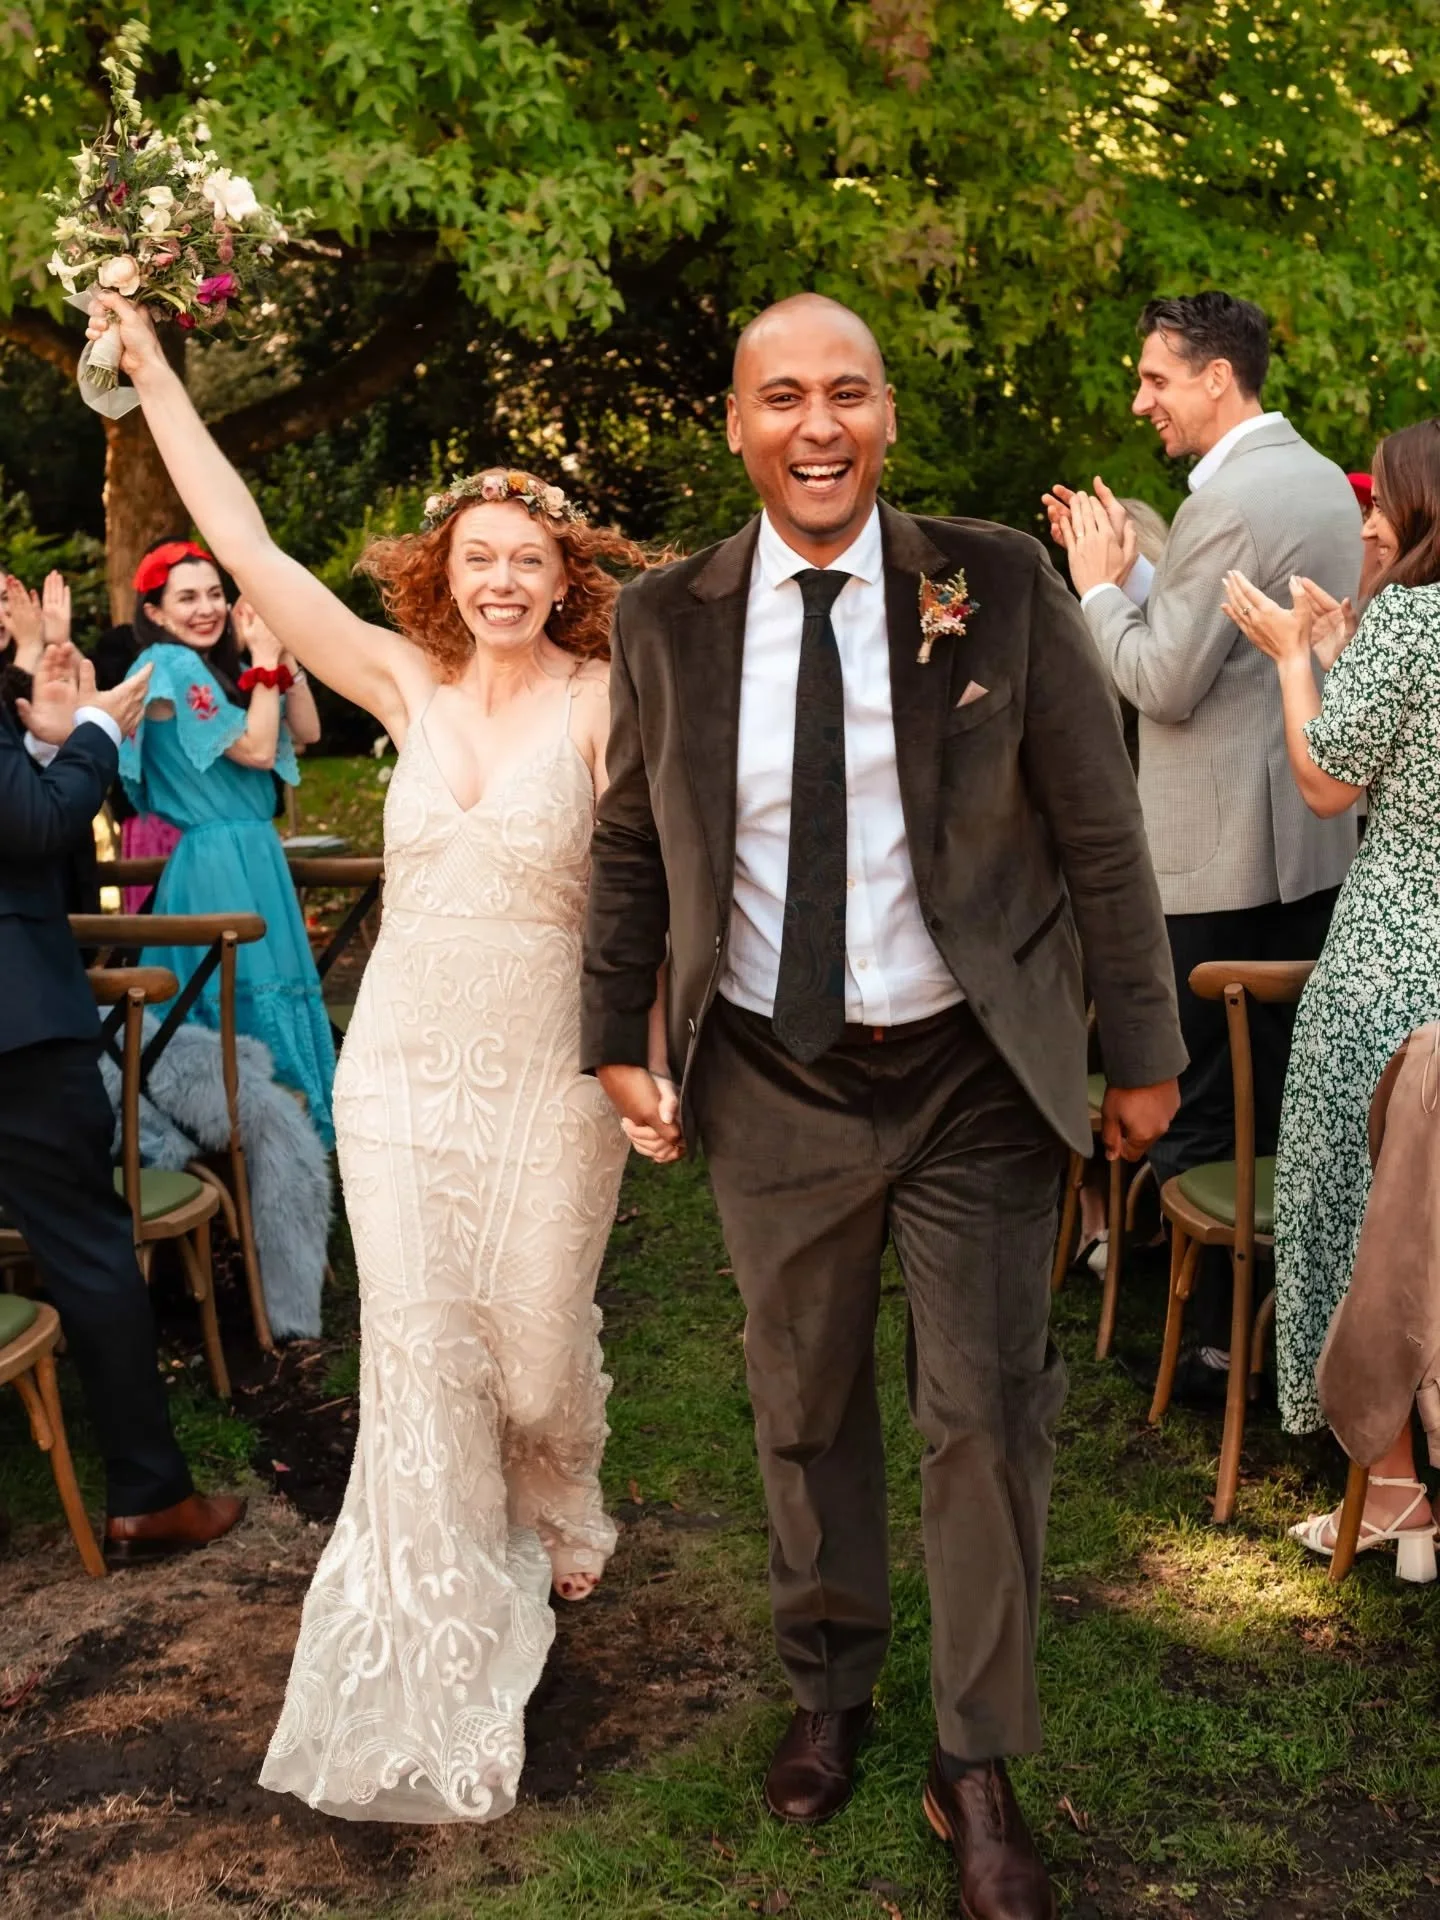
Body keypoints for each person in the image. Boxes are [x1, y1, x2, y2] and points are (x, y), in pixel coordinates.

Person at [581, 292, 1186, 1920]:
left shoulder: (993, 581)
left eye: (847, 392)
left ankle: (975, 1756)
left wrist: (1145, 1050)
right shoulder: (666, 617)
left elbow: (1103, 828)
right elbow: (631, 840)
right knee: (802, 1404)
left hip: (973, 1072)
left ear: (889, 415)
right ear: (736, 424)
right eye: (783, 397)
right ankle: (830, 1685)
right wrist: (610, 1031)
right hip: (773, 1076)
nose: (818, 425)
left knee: (982, 1417)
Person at [87, 289, 660, 1823]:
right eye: (477, 557)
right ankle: (429, 1629)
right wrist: (149, 377)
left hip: (549, 1074)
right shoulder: (401, 686)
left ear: (566, 577)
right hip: (399, 1070)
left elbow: (648, 886)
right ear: (441, 572)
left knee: (535, 1345)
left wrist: (651, 1043)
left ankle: (557, 1481)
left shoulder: (611, 700)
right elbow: (256, 547)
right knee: (421, 1357)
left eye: (529, 559)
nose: (502, 581)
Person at [1047, 292, 1362, 1408]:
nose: (1143, 401)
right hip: (1309, 845)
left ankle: (1210, 1354)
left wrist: (1093, 586)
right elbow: (1224, 638)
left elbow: (1160, 682)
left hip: (1212, 855)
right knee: (1277, 1103)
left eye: (1155, 379)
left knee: (1193, 1103)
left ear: (1216, 377)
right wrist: (1141, 577)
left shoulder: (1228, 496)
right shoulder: (1321, 480)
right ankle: (1277, 1334)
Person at [1221, 416, 1440, 1565]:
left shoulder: (1414, 615)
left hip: (1393, 963)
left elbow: (1324, 782)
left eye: (1386, 499)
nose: (1370, 518)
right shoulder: (1401, 625)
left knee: (1365, 1210)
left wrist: (1295, 663)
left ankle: (1396, 1491)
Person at [0, 638, 245, 1561]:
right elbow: (34, 831)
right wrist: (97, 730)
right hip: (16, 1029)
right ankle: (148, 1496)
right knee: (89, 1249)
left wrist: (46, 741)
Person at [119, 542, 334, 1148]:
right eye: (186, 597)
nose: (206, 608)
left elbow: (309, 730)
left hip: (251, 855)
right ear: (155, 612)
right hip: (214, 862)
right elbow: (259, 750)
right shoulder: (169, 664)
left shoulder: (212, 670)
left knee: (269, 989)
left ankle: (284, 1151)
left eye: (215, 593)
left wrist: (282, 652)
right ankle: (258, 1145)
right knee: (238, 999)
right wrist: (264, 661)